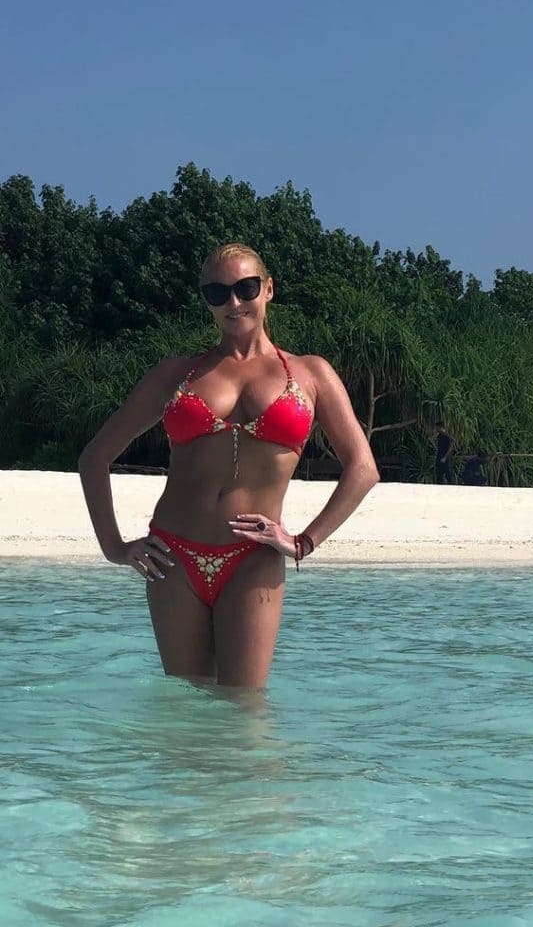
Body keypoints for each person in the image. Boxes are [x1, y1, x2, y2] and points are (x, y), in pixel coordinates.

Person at [78, 242, 379, 689]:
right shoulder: (175, 375)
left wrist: (303, 542)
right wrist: (114, 548)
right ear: (206, 301)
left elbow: (363, 468)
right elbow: (94, 457)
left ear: (268, 289)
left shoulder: (311, 374)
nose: (233, 302)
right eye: (217, 293)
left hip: (253, 558)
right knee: (186, 705)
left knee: (245, 710)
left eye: (246, 288)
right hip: (173, 556)